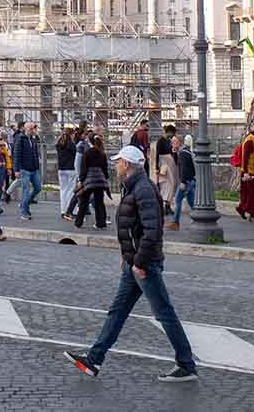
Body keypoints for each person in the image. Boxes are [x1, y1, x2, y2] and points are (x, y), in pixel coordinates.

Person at [64, 145, 199, 383]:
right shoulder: (135, 187)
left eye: (118, 162)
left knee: (164, 314)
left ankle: (186, 364)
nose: (115, 165)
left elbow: (152, 231)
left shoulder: (143, 189)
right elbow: (132, 228)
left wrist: (138, 262)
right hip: (133, 263)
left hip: (144, 265)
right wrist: (126, 257)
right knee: (118, 311)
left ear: (126, 164)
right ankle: (94, 359)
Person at [73, 135, 110, 229]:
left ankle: (78, 222)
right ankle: (101, 223)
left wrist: (81, 180)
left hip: (89, 180)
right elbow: (105, 169)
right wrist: (105, 178)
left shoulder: (87, 152)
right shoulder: (102, 153)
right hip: (100, 180)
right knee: (99, 202)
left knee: (84, 201)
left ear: (90, 141)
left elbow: (84, 168)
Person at [235, 125, 254, 223]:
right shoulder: (250, 141)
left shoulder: (253, 140)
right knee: (252, 195)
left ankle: (250, 214)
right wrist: (246, 172)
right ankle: (243, 209)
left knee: (253, 194)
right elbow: (245, 157)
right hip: (251, 172)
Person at [13, 122, 42, 218]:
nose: (33, 130)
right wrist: (16, 170)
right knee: (26, 190)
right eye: (31, 129)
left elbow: (35, 153)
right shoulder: (20, 139)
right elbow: (16, 154)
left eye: (33, 128)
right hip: (24, 169)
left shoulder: (33, 139)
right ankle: (24, 212)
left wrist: (37, 165)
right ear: (26, 129)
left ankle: (24, 204)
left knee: (38, 188)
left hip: (34, 168)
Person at [56, 127, 80, 218]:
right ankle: (70, 211)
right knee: (70, 190)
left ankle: (63, 210)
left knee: (63, 190)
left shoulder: (59, 143)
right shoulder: (72, 145)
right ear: (71, 134)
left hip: (61, 169)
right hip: (70, 169)